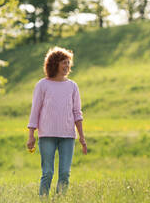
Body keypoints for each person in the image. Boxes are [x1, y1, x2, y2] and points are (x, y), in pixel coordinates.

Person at [26, 46, 87, 196]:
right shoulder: (42, 85)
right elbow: (35, 110)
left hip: (68, 136)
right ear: (54, 64)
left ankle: (60, 199)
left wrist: (82, 138)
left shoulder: (73, 86)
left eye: (68, 63)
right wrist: (31, 135)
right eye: (64, 63)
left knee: (65, 173)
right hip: (47, 135)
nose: (67, 66)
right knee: (47, 173)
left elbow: (77, 113)